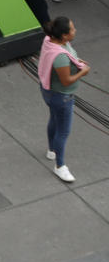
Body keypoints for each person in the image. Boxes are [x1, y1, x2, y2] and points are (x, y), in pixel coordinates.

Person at [38, 16, 89, 182]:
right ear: (64, 36)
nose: (75, 31)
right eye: (72, 30)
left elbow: (68, 56)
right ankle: (60, 166)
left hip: (49, 91)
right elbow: (66, 81)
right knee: (63, 131)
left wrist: (77, 61)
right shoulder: (60, 57)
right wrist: (83, 71)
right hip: (62, 96)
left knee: (54, 118)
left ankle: (52, 150)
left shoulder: (50, 40)